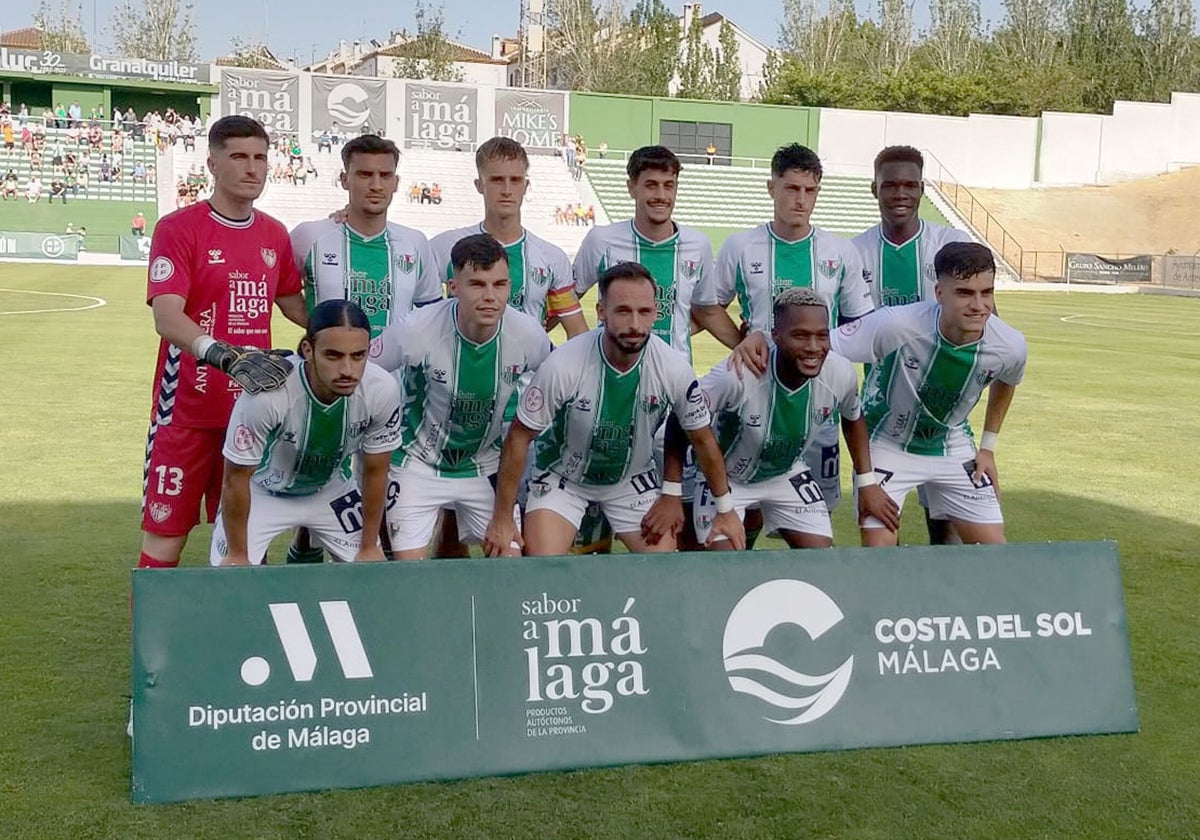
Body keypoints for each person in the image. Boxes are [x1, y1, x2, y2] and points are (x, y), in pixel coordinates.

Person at [483, 262, 747, 556]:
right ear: (600, 312)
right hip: (564, 477)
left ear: (655, 313)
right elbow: (519, 436)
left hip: (630, 479)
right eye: (623, 311)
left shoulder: (673, 368)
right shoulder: (564, 365)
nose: (635, 324)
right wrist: (503, 518)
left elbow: (702, 438)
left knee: (662, 566)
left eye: (644, 312)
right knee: (543, 566)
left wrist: (724, 509)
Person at [139, 115, 307, 572]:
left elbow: (295, 307)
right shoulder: (178, 228)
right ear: (212, 164)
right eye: (239, 157)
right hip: (186, 414)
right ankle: (153, 647)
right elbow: (167, 316)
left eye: (260, 158)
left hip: (252, 414)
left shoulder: (274, 234)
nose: (253, 168)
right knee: (163, 546)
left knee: (248, 550)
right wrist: (223, 355)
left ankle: (245, 644)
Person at [287, 133, 442, 564]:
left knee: (382, 507)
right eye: (364, 174)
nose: (375, 184)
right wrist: (327, 338)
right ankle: (305, 551)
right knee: (319, 490)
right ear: (344, 179)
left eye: (384, 175)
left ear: (396, 182)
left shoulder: (414, 244)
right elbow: (283, 293)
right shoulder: (312, 236)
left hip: (394, 396)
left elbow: (430, 315)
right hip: (326, 393)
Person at [705, 143, 873, 519]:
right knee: (743, 513)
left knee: (814, 520)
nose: (801, 199)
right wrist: (745, 341)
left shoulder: (840, 252)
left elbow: (861, 321)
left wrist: (827, 356)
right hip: (756, 398)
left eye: (810, 190)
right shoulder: (741, 246)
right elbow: (708, 306)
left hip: (817, 409)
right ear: (771, 188)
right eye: (791, 188)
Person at [664, 288, 898, 548]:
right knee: (725, 566)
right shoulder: (737, 375)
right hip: (726, 481)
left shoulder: (840, 372)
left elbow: (853, 418)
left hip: (786, 473)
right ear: (775, 336)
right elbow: (682, 414)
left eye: (821, 336)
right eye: (800, 336)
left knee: (822, 561)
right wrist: (672, 492)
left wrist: (867, 483)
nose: (813, 347)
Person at [830, 242, 1026, 546]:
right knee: (879, 552)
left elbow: (1008, 379)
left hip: (952, 445)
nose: (978, 305)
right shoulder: (895, 325)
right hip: (887, 443)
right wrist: (757, 342)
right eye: (964, 293)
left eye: (986, 292)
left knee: (994, 552)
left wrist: (987, 447)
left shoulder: (1010, 345)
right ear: (939, 293)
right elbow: (820, 347)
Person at [376, 234, 553, 559]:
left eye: (500, 285)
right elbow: (364, 372)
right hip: (417, 464)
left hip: (482, 466)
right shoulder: (415, 330)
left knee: (511, 564)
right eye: (477, 284)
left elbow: (560, 380)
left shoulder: (528, 336)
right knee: (407, 576)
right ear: (453, 286)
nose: (490, 297)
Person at [210, 300, 402, 566]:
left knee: (372, 574)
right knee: (233, 577)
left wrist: (369, 546)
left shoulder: (382, 389)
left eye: (358, 356)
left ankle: (305, 550)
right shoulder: (267, 395)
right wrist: (238, 556)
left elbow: (375, 471)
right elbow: (235, 479)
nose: (347, 370)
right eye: (333, 355)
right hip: (263, 492)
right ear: (308, 350)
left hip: (330, 488)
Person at [854, 145, 976, 545]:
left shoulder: (951, 244)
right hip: (880, 416)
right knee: (882, 535)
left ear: (922, 189)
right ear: (875, 189)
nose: (900, 194)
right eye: (890, 185)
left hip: (944, 414)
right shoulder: (855, 253)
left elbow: (981, 319)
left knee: (950, 538)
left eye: (910, 184)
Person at [430, 136, 588, 338]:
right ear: (479, 185)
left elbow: (578, 333)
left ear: (525, 185)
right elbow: (420, 318)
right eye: (497, 180)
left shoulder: (552, 258)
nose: (506, 190)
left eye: (515, 180)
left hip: (529, 369)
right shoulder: (444, 247)